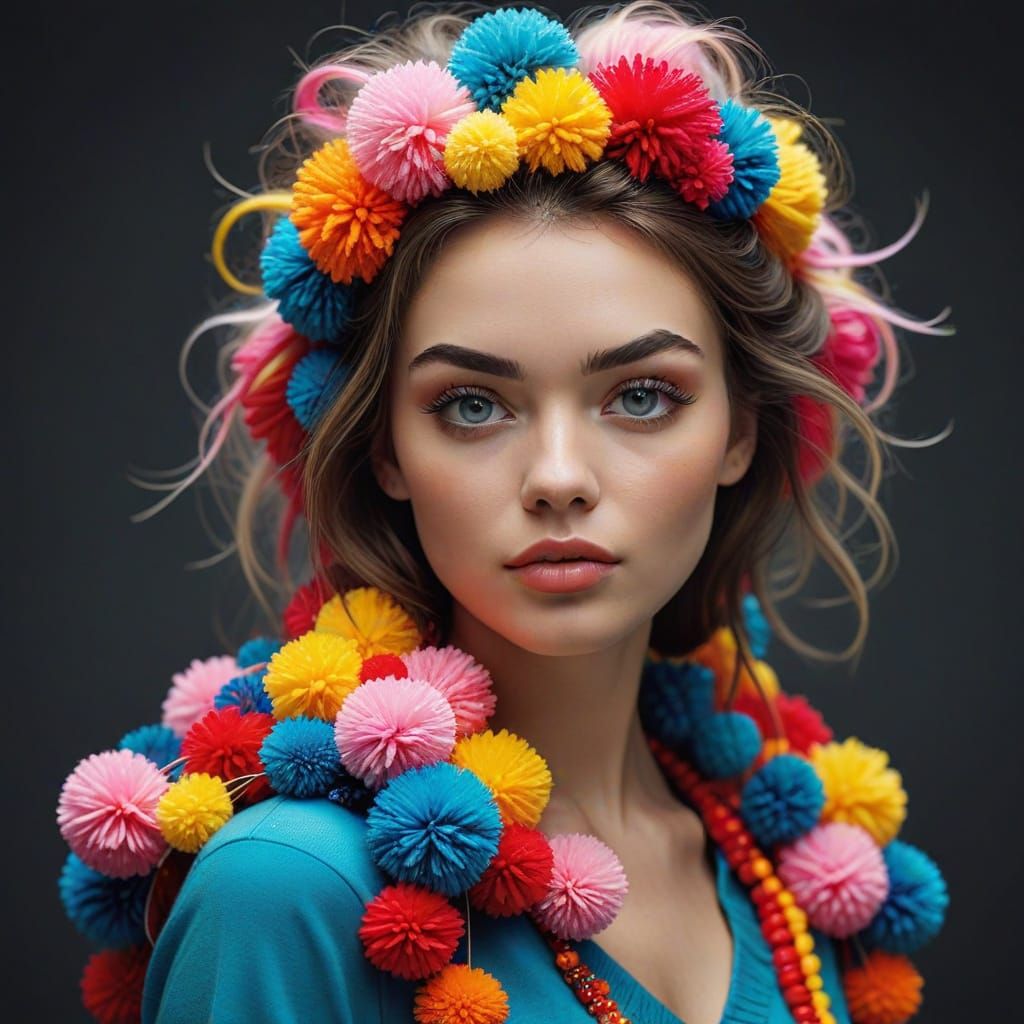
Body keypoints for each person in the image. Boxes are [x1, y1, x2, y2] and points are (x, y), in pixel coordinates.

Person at [54, 4, 952, 1024]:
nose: (558, 477)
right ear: (386, 447)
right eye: (471, 405)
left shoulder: (796, 868)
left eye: (643, 394)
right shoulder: (290, 891)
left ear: (740, 432)